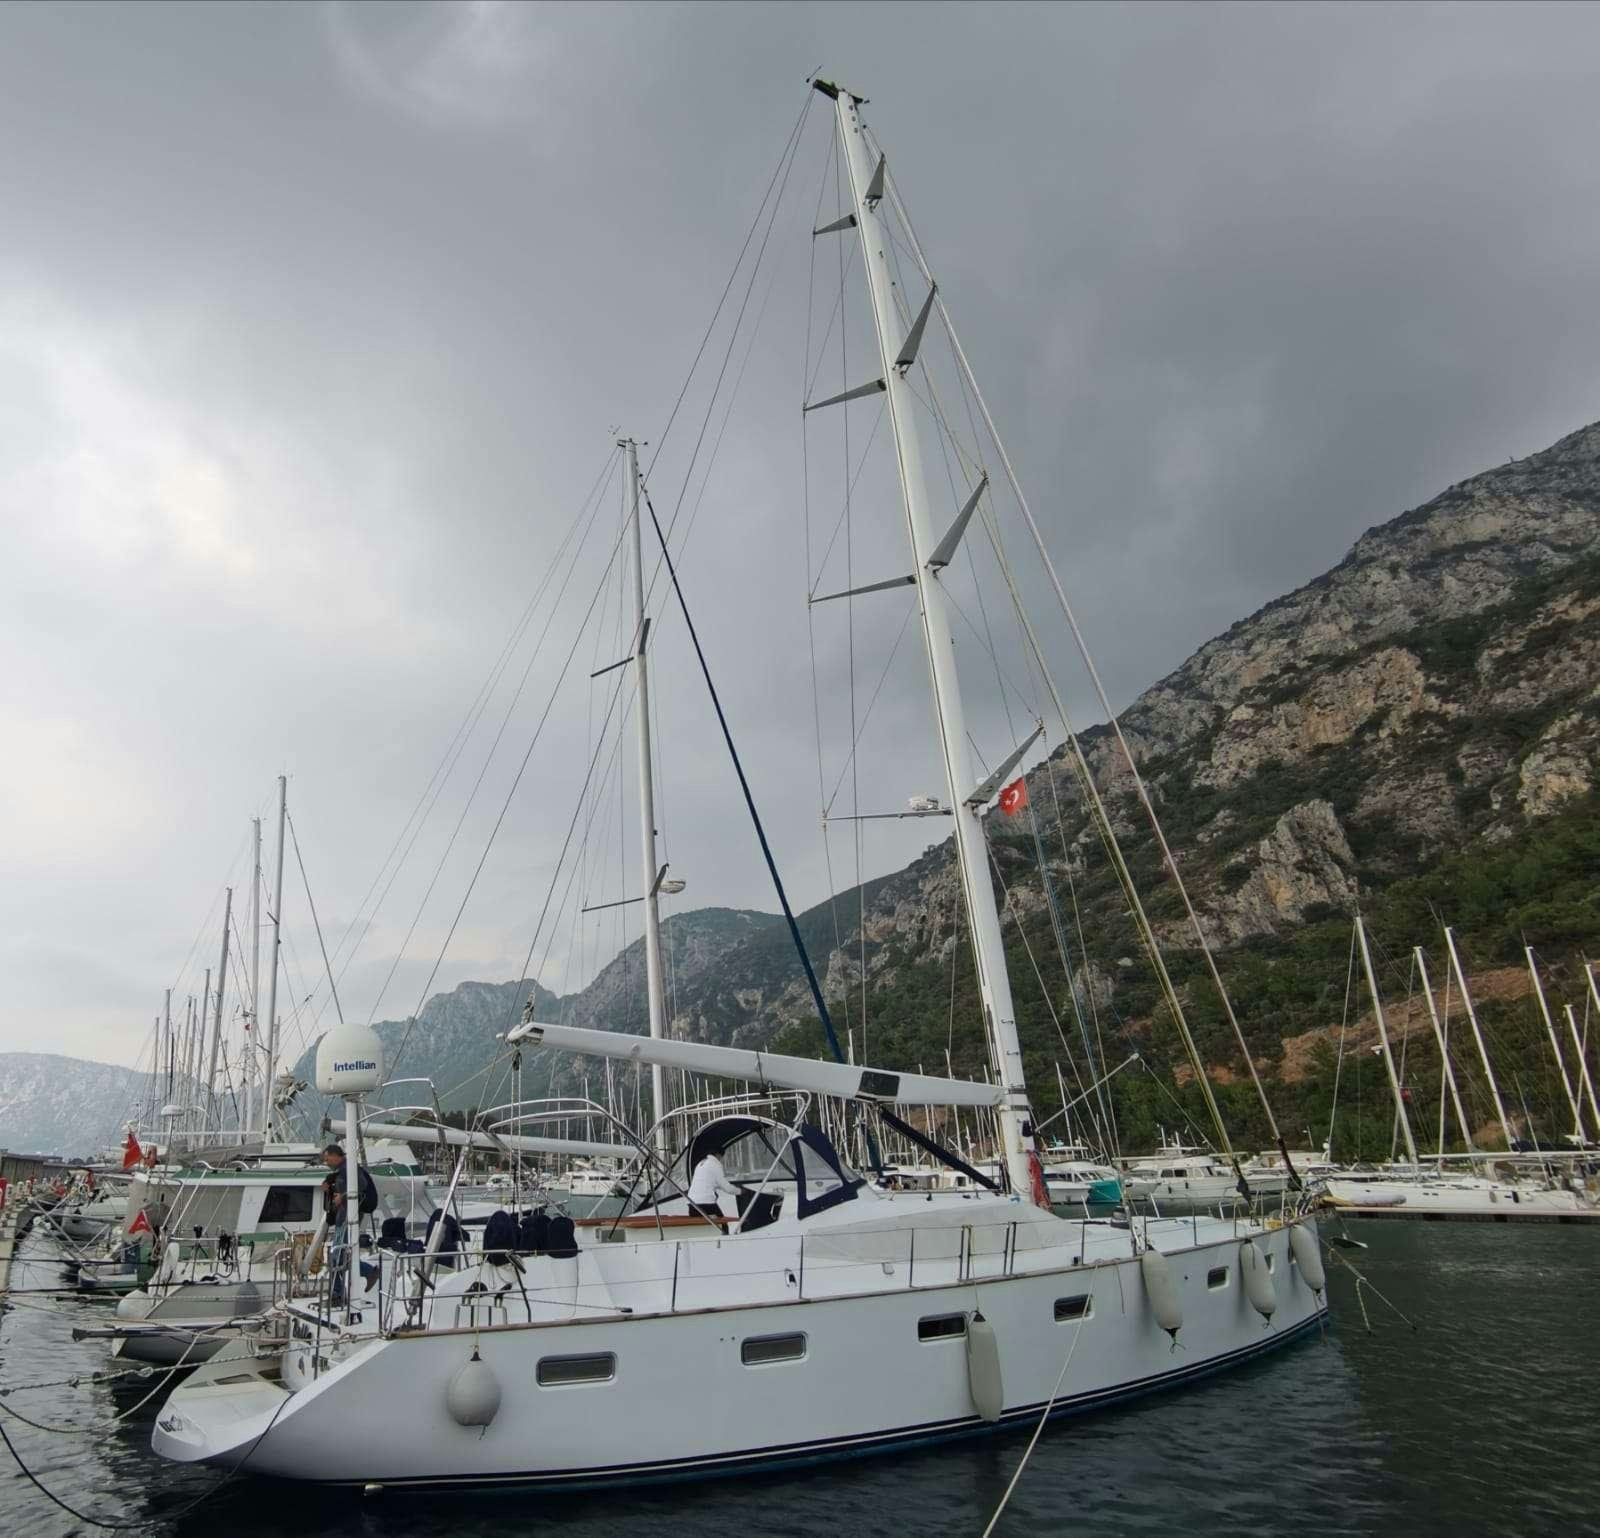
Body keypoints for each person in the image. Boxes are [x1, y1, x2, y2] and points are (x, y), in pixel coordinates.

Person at [321, 1144, 379, 1300]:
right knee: (337, 1257)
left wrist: (343, 1196)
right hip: (343, 1217)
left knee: (337, 1257)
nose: (326, 1162)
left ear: (334, 1155)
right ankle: (337, 1293)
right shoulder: (341, 1170)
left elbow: (360, 1186)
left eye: (327, 1159)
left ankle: (367, 1272)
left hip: (349, 1216)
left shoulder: (349, 1168)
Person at [687, 1149, 736, 1230]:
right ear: (718, 1155)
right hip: (706, 1204)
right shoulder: (715, 1164)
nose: (720, 1160)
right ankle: (725, 1238)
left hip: (691, 1204)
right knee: (723, 1224)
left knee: (703, 1228)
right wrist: (740, 1191)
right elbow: (726, 1187)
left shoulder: (701, 1163)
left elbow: (705, 1182)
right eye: (720, 1157)